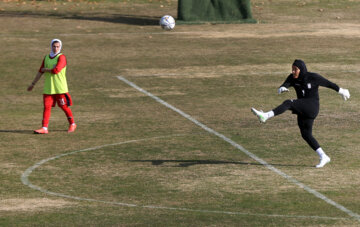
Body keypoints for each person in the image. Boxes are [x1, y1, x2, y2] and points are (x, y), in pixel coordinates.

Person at [251, 59, 350, 168]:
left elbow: (329, 84)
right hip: (302, 108)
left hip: (312, 107)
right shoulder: (292, 77)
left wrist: (341, 91)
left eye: (295, 69)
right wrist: (282, 88)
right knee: (306, 134)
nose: (293, 71)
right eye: (292, 69)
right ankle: (324, 156)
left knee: (289, 103)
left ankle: (265, 115)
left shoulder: (313, 77)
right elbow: (285, 84)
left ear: (301, 69)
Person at [27, 39, 76, 134]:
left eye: (57, 46)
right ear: (51, 46)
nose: (55, 48)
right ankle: (44, 128)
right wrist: (33, 84)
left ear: (60, 47)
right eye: (54, 46)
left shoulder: (62, 57)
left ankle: (72, 124)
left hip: (59, 88)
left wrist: (46, 69)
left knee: (64, 106)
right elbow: (40, 71)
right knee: (46, 107)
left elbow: (56, 70)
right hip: (49, 88)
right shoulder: (46, 57)